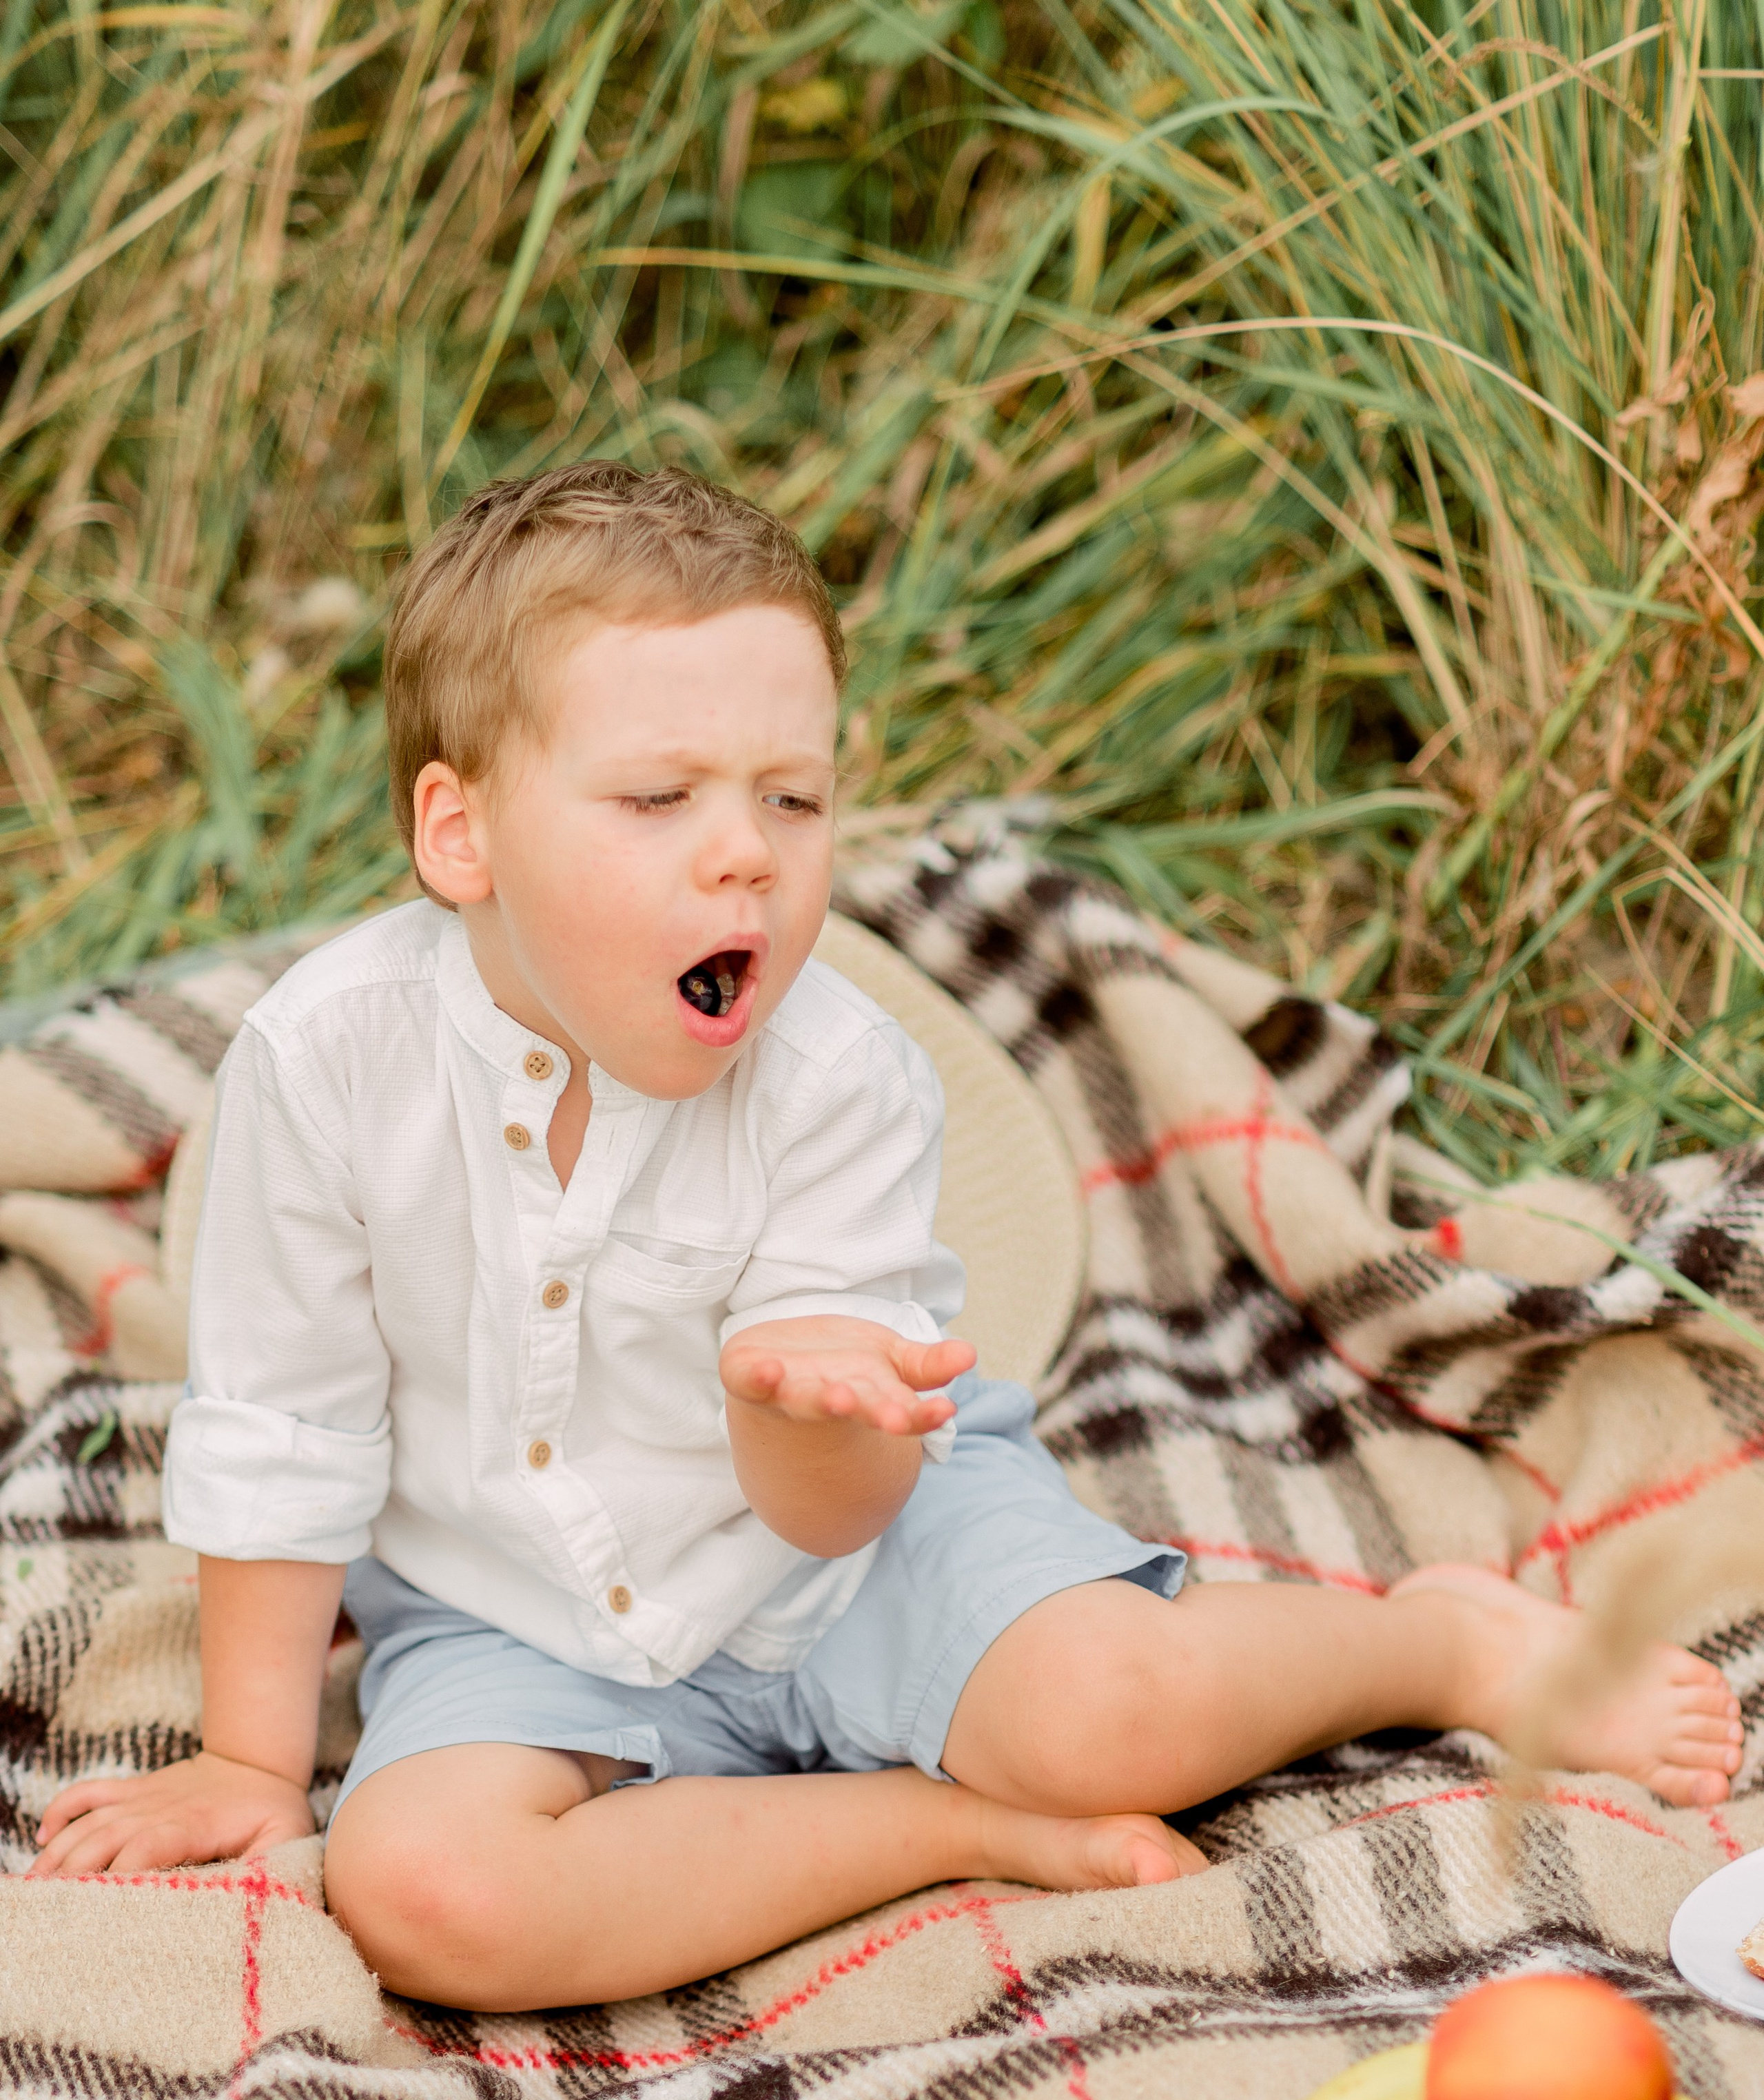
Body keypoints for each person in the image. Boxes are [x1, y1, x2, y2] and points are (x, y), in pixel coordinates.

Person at [28, 464, 1743, 2011]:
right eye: (657, 802)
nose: (744, 861)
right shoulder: (324, 1069)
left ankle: (1430, 1638)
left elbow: (837, 1499)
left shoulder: (838, 1071)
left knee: (1110, 1721)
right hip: (515, 1607)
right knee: (424, 1891)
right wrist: (257, 1768)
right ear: (457, 832)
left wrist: (799, 1405)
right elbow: (288, 1429)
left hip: (845, 1546)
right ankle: (937, 1829)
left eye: (793, 799)